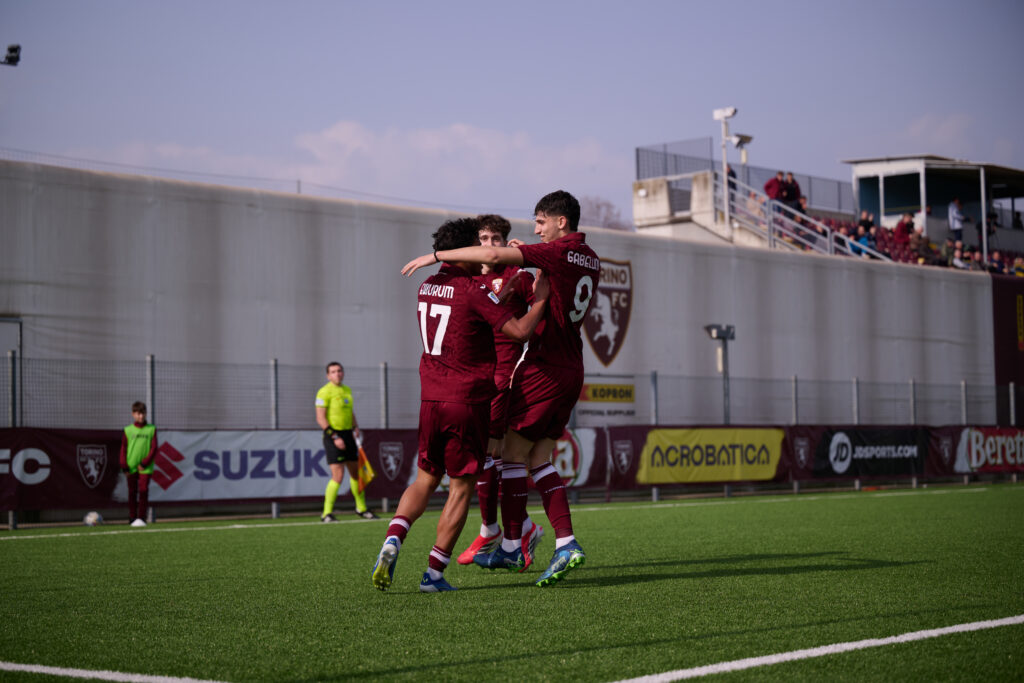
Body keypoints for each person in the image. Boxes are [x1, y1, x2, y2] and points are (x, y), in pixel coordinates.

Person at [401, 190, 600, 587]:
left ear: (562, 222)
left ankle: (512, 542)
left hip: (542, 365)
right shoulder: (589, 256)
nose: (537, 229)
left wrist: (436, 257)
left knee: (507, 451)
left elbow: (495, 260)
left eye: (541, 221)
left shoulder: (556, 252)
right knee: (539, 457)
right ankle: (565, 542)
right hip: (572, 366)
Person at [373, 217, 550, 592]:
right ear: (463, 251)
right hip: (466, 400)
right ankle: (433, 575)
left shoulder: (426, 286)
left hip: (430, 397)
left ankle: (393, 538)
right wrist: (542, 299)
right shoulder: (471, 289)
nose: (484, 254)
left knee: (424, 478)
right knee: (461, 486)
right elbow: (519, 331)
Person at [456, 214, 544, 567]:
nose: (488, 244)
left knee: (494, 452)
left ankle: (497, 529)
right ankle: (514, 528)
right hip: (473, 377)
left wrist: (533, 265)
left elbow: (542, 304)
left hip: (504, 375)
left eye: (495, 238)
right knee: (485, 456)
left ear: (505, 242)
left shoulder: (516, 276)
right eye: (483, 238)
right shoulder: (466, 276)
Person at [316, 362, 377, 521]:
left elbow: (350, 412)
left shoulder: (347, 390)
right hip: (333, 436)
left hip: (348, 435)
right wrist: (335, 437)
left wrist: (355, 426)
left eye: (339, 371)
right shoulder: (324, 392)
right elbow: (320, 418)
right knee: (338, 475)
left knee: (356, 474)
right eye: (333, 371)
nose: (337, 374)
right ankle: (326, 513)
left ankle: (361, 508)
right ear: (328, 375)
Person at [119, 401, 157, 527]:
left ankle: (141, 518)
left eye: (143, 413)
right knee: (132, 492)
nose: (141, 416)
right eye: (138, 413)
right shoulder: (128, 430)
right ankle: (132, 517)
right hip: (131, 467)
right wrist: (124, 466)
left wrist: (145, 463)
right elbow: (123, 449)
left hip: (145, 467)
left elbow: (154, 448)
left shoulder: (151, 429)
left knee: (144, 490)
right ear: (133, 414)